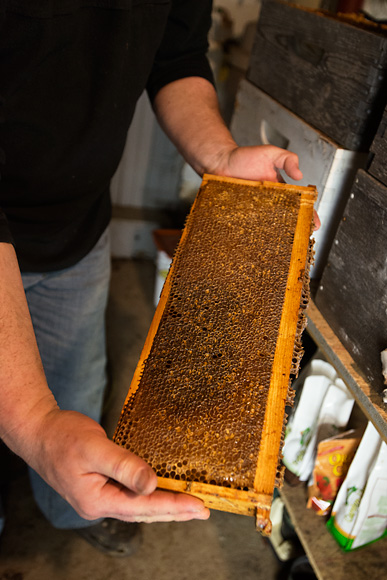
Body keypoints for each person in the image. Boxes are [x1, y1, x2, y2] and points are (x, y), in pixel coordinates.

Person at [0, 0, 317, 557]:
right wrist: (32, 421)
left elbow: (175, 54)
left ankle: (68, 508)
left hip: (77, 228)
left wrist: (219, 155)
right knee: (30, 420)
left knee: (77, 388)